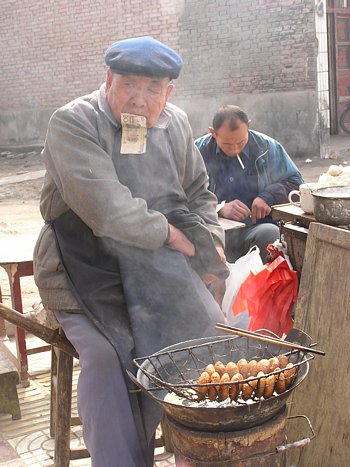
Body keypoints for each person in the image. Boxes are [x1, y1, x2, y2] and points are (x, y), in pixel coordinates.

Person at [33, 36, 229, 467]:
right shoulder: (73, 122)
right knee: (107, 356)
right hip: (81, 265)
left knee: (211, 336)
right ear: (108, 81)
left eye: (152, 89)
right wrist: (177, 239)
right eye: (129, 85)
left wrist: (211, 243)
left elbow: (199, 193)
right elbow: (107, 212)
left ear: (168, 92)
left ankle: (198, 452)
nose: (140, 101)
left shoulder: (174, 123)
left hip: (154, 266)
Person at [195, 105, 303, 262]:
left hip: (255, 228)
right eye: (227, 144)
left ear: (248, 127)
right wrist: (218, 208)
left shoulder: (267, 147)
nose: (235, 150)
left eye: (241, 142)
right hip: (213, 229)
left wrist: (268, 196)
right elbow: (184, 195)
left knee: (270, 234)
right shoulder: (197, 152)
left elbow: (296, 183)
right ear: (213, 133)